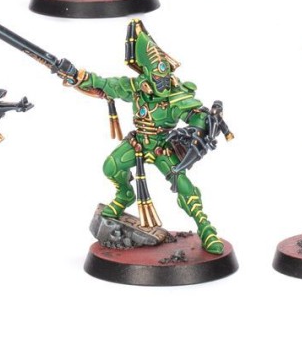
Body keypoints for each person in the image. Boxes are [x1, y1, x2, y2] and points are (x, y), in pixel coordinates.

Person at [59, 19, 225, 254]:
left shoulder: (175, 96)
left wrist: (203, 122)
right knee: (111, 166)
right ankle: (124, 195)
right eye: (157, 78)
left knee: (183, 185)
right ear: (147, 74)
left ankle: (206, 228)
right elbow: (105, 84)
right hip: (137, 143)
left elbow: (193, 115)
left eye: (165, 77)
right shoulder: (136, 88)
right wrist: (77, 76)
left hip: (162, 147)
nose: (162, 83)